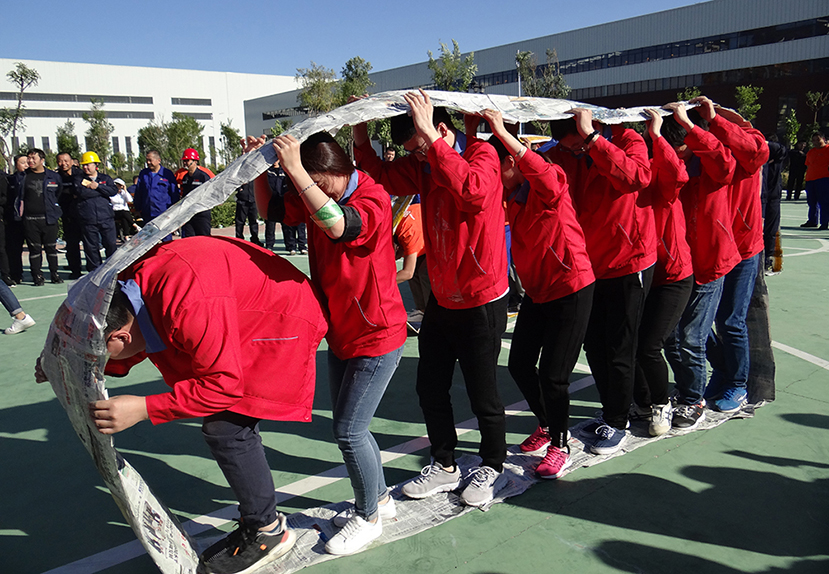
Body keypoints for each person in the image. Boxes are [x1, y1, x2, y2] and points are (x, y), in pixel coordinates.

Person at [37, 237, 326, 574]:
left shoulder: (186, 304)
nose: (100, 360)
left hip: (278, 314)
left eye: (100, 354)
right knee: (211, 399)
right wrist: (60, 363)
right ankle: (262, 520)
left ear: (120, 336)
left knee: (227, 429)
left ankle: (267, 530)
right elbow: (139, 336)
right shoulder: (124, 294)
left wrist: (145, 408)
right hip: (228, 298)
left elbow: (224, 385)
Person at [251, 131, 407, 556]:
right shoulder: (317, 190)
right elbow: (271, 210)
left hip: (377, 333)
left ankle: (368, 517)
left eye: (321, 184)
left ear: (338, 169)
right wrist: (261, 170)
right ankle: (381, 500)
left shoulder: (373, 197)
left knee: (349, 431)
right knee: (354, 426)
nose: (315, 193)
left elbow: (338, 225)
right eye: (310, 186)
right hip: (342, 331)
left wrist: (297, 171)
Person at [353, 90, 510, 508]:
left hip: (480, 296)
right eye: (412, 151)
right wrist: (360, 131)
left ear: (439, 129)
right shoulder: (424, 163)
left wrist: (433, 143)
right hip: (443, 297)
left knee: (483, 393)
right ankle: (444, 464)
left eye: (419, 146)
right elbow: (378, 174)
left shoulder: (481, 154)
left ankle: (493, 466)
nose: (416, 157)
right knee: (430, 386)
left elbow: (473, 193)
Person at [482, 109, 595, 478]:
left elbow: (543, 173)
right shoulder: (513, 195)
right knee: (519, 364)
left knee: (553, 375)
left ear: (513, 162)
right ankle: (547, 424)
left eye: (496, 168)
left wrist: (503, 132)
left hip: (570, 287)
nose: (492, 176)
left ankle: (561, 444)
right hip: (539, 291)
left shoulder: (550, 181)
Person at [542, 107, 654, 455]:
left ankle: (620, 421)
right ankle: (615, 410)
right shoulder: (564, 152)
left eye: (578, 145)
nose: (574, 152)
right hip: (591, 264)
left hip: (628, 259)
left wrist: (592, 141)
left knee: (620, 347)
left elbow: (637, 178)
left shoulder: (627, 140)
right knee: (593, 344)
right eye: (569, 148)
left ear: (593, 127)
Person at [660, 101, 739, 428]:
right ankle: (696, 384)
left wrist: (692, 126)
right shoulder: (668, 163)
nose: (674, 153)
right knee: (671, 336)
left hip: (709, 264)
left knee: (692, 337)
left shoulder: (711, 165)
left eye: (678, 147)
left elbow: (725, 162)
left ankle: (693, 399)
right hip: (677, 266)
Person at [702, 100, 769, 413]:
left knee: (730, 320)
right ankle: (723, 369)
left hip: (742, 247)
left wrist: (719, 120)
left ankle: (738, 383)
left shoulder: (751, 144)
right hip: (711, 247)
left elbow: (754, 152)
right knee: (695, 322)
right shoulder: (705, 144)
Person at [633, 108, 694, 436]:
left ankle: (662, 403)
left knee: (651, 344)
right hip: (642, 273)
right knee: (633, 343)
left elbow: (677, 174)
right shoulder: (637, 172)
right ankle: (643, 402)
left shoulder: (665, 181)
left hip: (673, 275)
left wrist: (656, 135)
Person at [12, 149, 63, 285]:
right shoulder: (22, 176)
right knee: (34, 249)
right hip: (30, 220)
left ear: (42, 160)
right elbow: (18, 195)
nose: (30, 161)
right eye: (28, 158)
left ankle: (54, 274)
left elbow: (58, 193)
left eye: (33, 158)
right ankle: (37, 275)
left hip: (49, 218)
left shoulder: (53, 176)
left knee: (51, 248)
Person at [76, 151, 118, 272]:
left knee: (110, 244)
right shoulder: (79, 180)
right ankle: (95, 271)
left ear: (96, 165)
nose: (85, 167)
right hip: (88, 218)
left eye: (88, 164)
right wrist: (101, 191)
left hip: (106, 217)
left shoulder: (105, 178)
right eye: (84, 165)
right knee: (91, 247)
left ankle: (112, 270)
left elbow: (113, 191)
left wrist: (98, 187)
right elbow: (82, 193)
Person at [392, 201, 430, 315]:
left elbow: (407, 273)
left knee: (424, 272)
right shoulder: (394, 225)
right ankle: (422, 310)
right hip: (422, 227)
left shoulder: (408, 234)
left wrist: (381, 285)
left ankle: (432, 312)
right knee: (415, 272)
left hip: (440, 237)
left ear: (398, 247)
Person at [56, 152, 85, 279]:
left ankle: (93, 268)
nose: (63, 164)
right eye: (60, 161)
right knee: (72, 244)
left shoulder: (81, 174)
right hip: (67, 215)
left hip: (83, 214)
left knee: (90, 243)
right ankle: (75, 270)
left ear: (72, 162)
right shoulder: (56, 177)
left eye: (66, 160)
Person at [761, 137, 788, 273]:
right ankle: (763, 259)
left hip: (773, 196)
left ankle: (771, 260)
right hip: (762, 196)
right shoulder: (759, 160)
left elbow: (782, 150)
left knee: (772, 231)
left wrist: (766, 143)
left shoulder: (777, 157)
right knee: (761, 229)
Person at [133, 150, 178, 228]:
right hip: (147, 213)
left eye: (150, 160)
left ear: (158, 160)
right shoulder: (143, 174)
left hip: (163, 213)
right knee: (149, 234)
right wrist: (137, 209)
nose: (148, 162)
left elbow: (174, 193)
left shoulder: (167, 174)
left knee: (165, 235)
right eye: (147, 160)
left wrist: (174, 210)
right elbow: (138, 192)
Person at [4, 154, 29, 285]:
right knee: (14, 248)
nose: (26, 165)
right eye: (22, 162)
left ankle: (38, 273)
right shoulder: (10, 180)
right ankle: (16, 273)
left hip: (31, 218)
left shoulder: (33, 179)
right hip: (14, 219)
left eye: (27, 162)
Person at [178, 148, 213, 237]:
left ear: (195, 161)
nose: (185, 163)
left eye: (187, 160)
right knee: (189, 239)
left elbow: (210, 194)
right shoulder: (185, 178)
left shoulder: (203, 176)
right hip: (188, 214)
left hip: (201, 213)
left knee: (203, 239)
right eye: (184, 161)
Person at [801, 132, 829, 229]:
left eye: (818, 140)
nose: (816, 142)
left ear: (824, 139)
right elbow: (808, 165)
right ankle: (812, 220)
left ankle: (824, 222)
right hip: (810, 179)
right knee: (811, 202)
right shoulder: (811, 152)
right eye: (813, 140)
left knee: (824, 201)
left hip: (824, 179)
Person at [235, 180, 262, 246]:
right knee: (240, 221)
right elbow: (234, 181)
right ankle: (239, 239)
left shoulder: (256, 175)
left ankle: (255, 239)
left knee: (253, 221)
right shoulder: (241, 174)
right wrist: (239, 189)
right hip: (242, 200)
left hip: (253, 200)